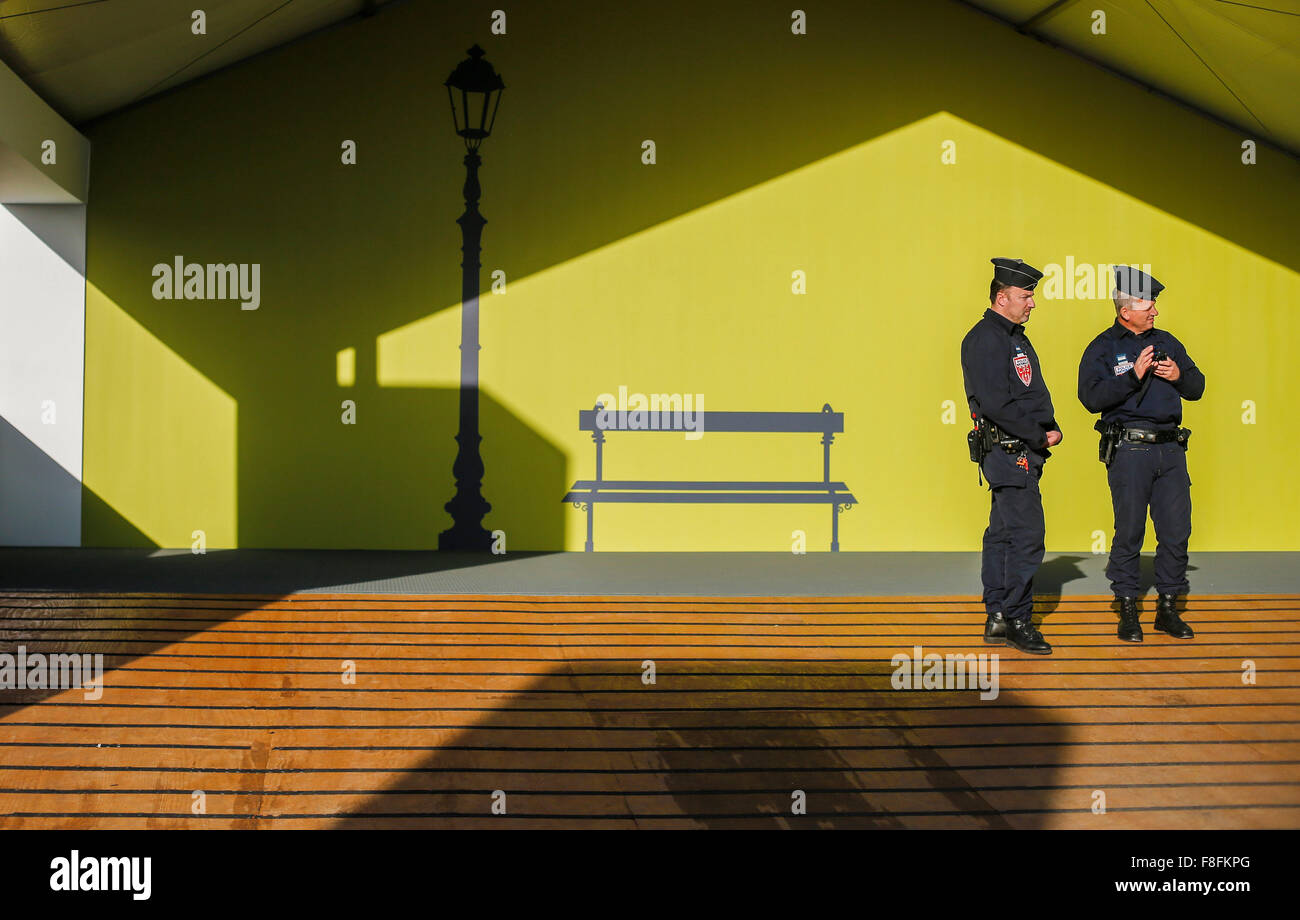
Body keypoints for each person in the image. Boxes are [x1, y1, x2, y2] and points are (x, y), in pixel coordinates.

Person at [1077, 266, 1205, 642]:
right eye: (1149, 304)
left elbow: (1197, 387)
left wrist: (1178, 375)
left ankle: (1168, 607)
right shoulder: (1102, 347)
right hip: (1130, 449)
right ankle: (1128, 608)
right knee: (1129, 530)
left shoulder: (1168, 341)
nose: (1155, 311)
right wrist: (1133, 376)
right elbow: (1090, 398)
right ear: (1126, 308)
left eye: (1154, 304)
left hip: (1171, 449)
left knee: (1176, 531)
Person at [960, 258, 1061, 655]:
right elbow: (997, 403)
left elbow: (1027, 390)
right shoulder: (986, 337)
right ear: (1002, 297)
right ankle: (1019, 619)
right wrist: (1039, 435)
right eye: (1025, 295)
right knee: (1026, 537)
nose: (1032, 302)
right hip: (1009, 450)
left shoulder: (1013, 335)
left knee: (1003, 534)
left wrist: (1049, 425)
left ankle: (999, 616)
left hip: (1018, 450)